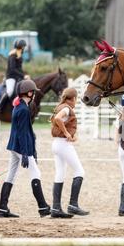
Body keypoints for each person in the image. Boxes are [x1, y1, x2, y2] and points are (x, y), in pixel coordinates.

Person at [0, 79, 50, 218]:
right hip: (21, 147)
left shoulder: (19, 105)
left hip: (15, 146)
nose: (34, 95)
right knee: (36, 173)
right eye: (34, 92)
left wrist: (32, 150)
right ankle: (43, 207)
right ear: (29, 92)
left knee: (11, 175)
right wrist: (26, 153)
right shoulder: (22, 109)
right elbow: (22, 133)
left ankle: (2, 208)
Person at [50, 87, 89, 218]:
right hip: (62, 144)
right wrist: (67, 133)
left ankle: (56, 208)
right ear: (73, 99)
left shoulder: (60, 106)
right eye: (76, 99)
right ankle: (73, 205)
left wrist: (71, 134)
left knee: (60, 173)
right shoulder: (66, 108)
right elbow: (58, 119)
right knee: (80, 171)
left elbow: (59, 121)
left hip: (56, 143)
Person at [0, 39, 30, 117]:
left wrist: (25, 75)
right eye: (23, 47)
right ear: (21, 47)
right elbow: (13, 69)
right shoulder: (12, 56)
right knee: (10, 92)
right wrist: (23, 75)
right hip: (11, 77)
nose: (24, 48)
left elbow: (19, 68)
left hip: (18, 77)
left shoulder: (19, 56)